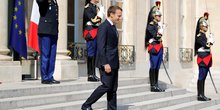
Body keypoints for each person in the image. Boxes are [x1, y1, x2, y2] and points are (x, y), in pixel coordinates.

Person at [81, 6, 122, 110]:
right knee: (106, 86)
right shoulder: (104, 26)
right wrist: (105, 63)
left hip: (114, 62)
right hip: (106, 62)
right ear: (111, 14)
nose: (120, 18)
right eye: (119, 15)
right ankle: (86, 104)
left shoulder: (113, 26)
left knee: (113, 89)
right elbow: (100, 46)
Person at [37, 0, 60, 84]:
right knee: (45, 55)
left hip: (53, 31)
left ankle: (50, 76)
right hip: (45, 30)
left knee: (52, 56)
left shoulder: (54, 1)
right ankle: (45, 77)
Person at [145, 1, 165, 92]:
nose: (160, 17)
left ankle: (156, 84)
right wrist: (161, 31)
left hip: (159, 47)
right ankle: (153, 85)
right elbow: (155, 36)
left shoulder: (157, 25)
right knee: (153, 66)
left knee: (157, 66)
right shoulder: (151, 25)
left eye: (160, 16)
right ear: (154, 16)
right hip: (154, 47)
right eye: (158, 16)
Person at [83, 0, 105, 82]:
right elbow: (94, 20)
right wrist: (100, 14)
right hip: (91, 32)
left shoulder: (96, 7)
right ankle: (90, 75)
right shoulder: (88, 7)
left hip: (96, 31)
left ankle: (94, 74)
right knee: (91, 54)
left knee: (95, 55)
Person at [194, 12, 214, 101]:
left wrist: (210, 40)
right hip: (203, 59)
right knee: (201, 77)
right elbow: (205, 45)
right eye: (205, 26)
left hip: (206, 58)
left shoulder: (203, 35)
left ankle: (202, 94)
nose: (207, 27)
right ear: (201, 26)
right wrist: (210, 41)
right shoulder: (199, 36)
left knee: (204, 77)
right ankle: (200, 95)